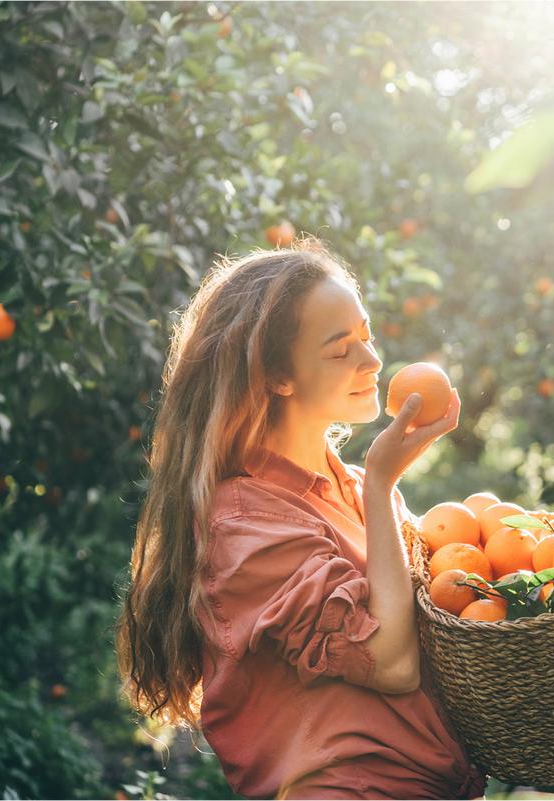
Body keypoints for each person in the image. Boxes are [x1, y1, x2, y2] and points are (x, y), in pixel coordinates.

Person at [115, 244, 485, 799]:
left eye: (367, 336)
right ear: (277, 376)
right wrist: (383, 482)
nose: (372, 361)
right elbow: (392, 664)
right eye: (340, 350)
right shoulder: (243, 526)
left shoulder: (354, 486)